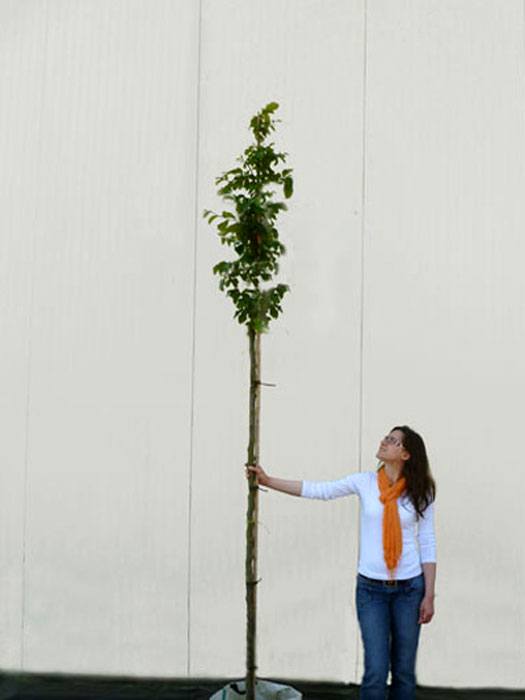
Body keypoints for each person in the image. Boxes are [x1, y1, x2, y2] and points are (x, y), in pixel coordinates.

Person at [245, 424, 436, 700]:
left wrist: (429, 595)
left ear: (406, 454)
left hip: (410, 589)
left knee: (404, 672)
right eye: (386, 436)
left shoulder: (422, 490)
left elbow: (428, 542)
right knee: (376, 671)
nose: (384, 441)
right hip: (372, 591)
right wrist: (268, 480)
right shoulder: (364, 482)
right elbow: (319, 490)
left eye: (392, 440)